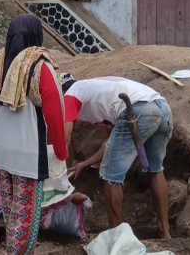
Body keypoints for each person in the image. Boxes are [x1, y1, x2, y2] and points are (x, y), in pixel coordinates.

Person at [0, 14, 67, 254]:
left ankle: (20, 250)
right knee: (27, 217)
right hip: (27, 149)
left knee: (12, 213)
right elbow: (55, 112)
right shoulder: (40, 64)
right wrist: (61, 150)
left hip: (1, 147)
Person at [63, 75, 173, 239]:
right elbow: (110, 145)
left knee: (110, 176)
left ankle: (115, 237)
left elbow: (65, 135)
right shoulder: (96, 95)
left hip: (136, 109)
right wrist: (84, 163)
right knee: (155, 169)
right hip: (162, 108)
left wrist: (58, 171)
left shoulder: (70, 94)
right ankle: (165, 231)